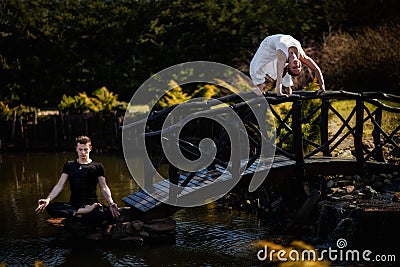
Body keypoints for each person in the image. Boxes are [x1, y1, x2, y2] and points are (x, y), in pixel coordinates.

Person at [35, 135, 120, 224]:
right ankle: (84, 211)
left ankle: (81, 213)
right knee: (50, 207)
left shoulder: (98, 166)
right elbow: (60, 185)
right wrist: (48, 199)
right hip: (74, 204)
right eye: (80, 149)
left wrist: (111, 203)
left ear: (90, 148)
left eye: (85, 149)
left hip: (92, 204)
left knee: (108, 214)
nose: (83, 152)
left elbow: (104, 187)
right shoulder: (69, 165)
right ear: (76, 149)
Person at [249, 34, 325, 97]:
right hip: (269, 43)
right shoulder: (302, 56)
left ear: (289, 66)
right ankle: (261, 87)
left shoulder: (282, 57)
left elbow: (279, 75)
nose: (297, 64)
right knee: (256, 66)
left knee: (256, 66)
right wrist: (322, 86)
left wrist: (279, 92)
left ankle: (286, 86)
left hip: (269, 46)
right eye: (299, 66)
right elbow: (316, 69)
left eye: (294, 67)